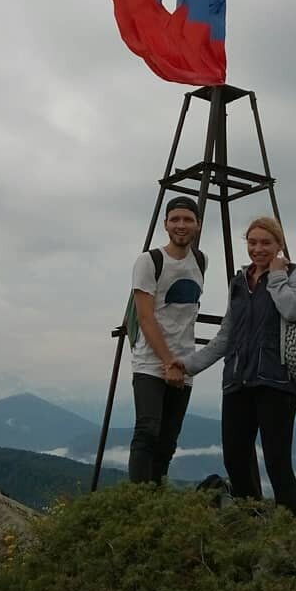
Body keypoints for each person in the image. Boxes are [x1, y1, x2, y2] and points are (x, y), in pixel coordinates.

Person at [172, 216, 296, 516]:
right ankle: (253, 518)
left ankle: (289, 530)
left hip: (276, 382)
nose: (258, 249)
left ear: (279, 245)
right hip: (237, 381)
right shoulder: (239, 282)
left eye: (266, 243)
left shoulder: (295, 273)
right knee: (234, 458)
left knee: (277, 461)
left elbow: (293, 309)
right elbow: (226, 336)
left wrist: (276, 276)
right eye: (253, 242)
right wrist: (189, 364)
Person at [128, 197, 206, 484]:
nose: (181, 225)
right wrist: (167, 362)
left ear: (197, 225)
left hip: (184, 363)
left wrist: (180, 364)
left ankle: (156, 498)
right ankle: (137, 501)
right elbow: (146, 318)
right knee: (148, 430)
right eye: (175, 219)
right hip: (151, 362)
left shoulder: (200, 260)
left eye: (187, 220)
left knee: (168, 440)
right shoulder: (149, 261)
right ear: (165, 224)